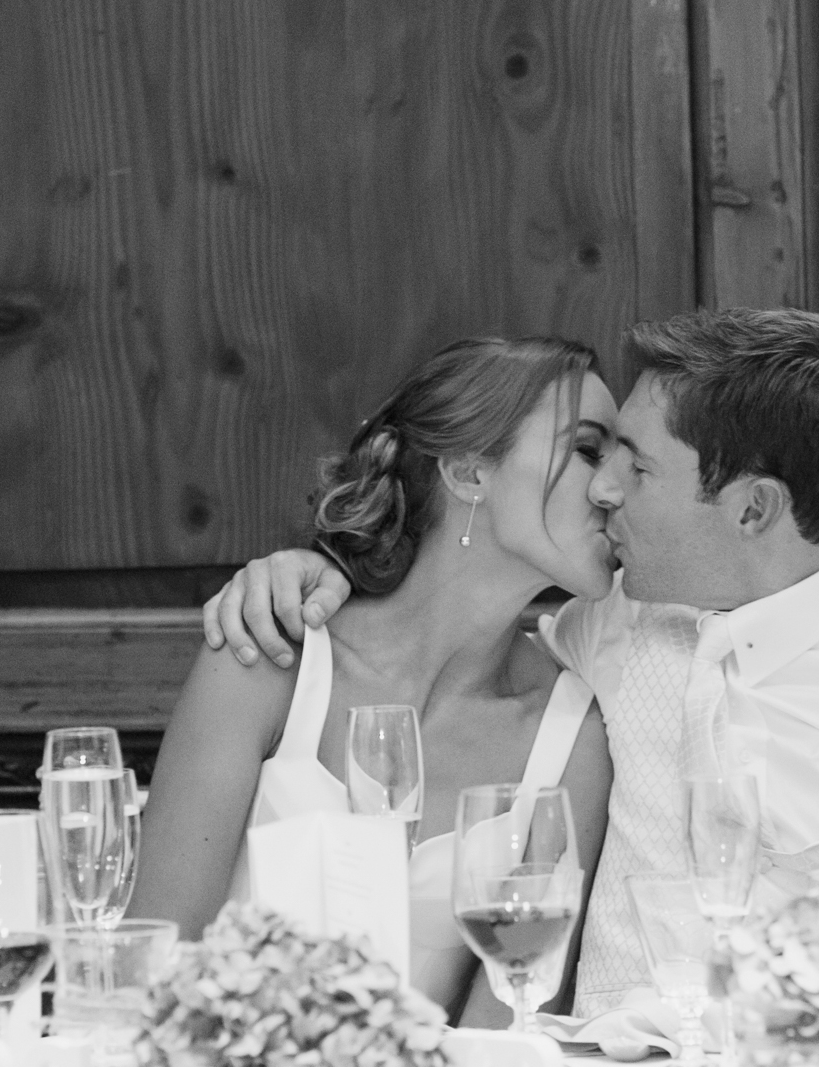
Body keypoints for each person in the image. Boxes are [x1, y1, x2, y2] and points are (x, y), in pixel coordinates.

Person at [204, 308, 819, 1017]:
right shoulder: (601, 631)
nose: (605, 489)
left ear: (751, 510)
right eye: (597, 452)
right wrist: (316, 576)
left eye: (637, 465)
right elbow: (446, 640)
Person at [135, 337, 615, 1021]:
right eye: (588, 449)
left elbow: (509, 1025)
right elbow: (151, 965)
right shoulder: (273, 657)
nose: (611, 487)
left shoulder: (570, 737)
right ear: (469, 472)